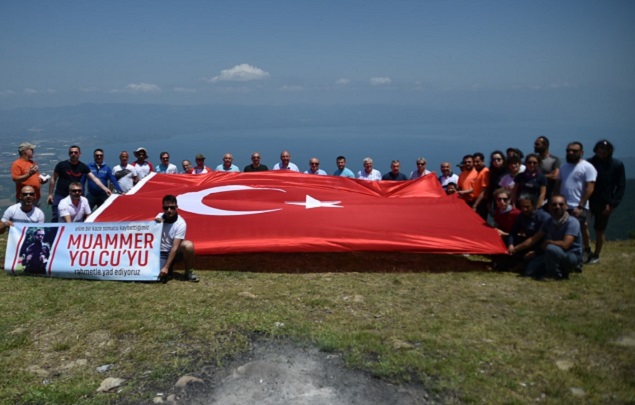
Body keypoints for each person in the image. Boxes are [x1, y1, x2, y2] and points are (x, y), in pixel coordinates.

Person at [511, 194, 582, 280]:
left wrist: (548, 242)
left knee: (550, 248)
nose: (557, 207)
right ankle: (556, 270)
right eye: (554, 204)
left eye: (561, 204)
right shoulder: (548, 222)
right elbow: (533, 239)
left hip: (570, 255)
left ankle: (555, 275)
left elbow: (565, 245)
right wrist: (515, 249)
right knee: (529, 272)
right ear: (549, 207)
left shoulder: (572, 222)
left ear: (566, 206)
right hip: (552, 253)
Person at [556, 142, 597, 262]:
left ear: (581, 152)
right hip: (563, 205)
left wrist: (581, 205)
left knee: (582, 228)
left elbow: (590, 187)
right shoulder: (564, 167)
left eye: (574, 151)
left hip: (579, 205)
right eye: (568, 150)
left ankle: (586, 250)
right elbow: (559, 184)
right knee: (563, 229)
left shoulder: (587, 167)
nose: (570, 153)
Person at [47, 145, 111, 223]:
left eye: (75, 152)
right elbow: (53, 178)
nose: (73, 154)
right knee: (56, 216)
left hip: (76, 195)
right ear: (68, 154)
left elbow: (94, 178)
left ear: (79, 154)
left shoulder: (83, 166)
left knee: (80, 217)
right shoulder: (61, 165)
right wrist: (50, 194)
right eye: (71, 152)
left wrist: (105, 189)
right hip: (61, 194)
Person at [587, 140, 626, 264]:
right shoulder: (589, 163)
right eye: (599, 149)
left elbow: (621, 186)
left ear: (610, 151)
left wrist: (613, 203)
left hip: (605, 202)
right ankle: (586, 250)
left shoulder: (617, 165)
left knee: (599, 229)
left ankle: (596, 254)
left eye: (604, 149)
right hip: (588, 200)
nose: (602, 151)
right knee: (583, 226)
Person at [497, 194, 551, 272]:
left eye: (527, 207)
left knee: (530, 270)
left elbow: (536, 239)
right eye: (522, 207)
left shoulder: (544, 217)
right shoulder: (521, 216)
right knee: (504, 239)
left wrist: (535, 251)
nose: (524, 209)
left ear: (534, 205)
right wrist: (511, 244)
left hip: (541, 246)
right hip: (526, 244)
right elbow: (513, 232)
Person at [155, 195, 199, 282]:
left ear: (176, 207)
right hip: (159, 252)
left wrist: (166, 267)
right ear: (162, 208)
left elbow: (175, 247)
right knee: (156, 276)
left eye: (172, 207)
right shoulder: (159, 216)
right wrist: (155, 222)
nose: (169, 210)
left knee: (188, 245)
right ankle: (167, 269)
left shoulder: (181, 223)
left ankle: (188, 272)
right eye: (166, 208)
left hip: (173, 252)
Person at [11, 142, 48, 206]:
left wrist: (42, 180)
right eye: (31, 150)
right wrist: (30, 174)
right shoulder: (17, 164)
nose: (33, 151)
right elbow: (16, 179)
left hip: (36, 197)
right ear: (25, 151)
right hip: (25, 198)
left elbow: (36, 176)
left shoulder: (32, 163)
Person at [533, 136, 561, 201]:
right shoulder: (533, 160)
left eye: (537, 144)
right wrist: (548, 175)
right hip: (535, 192)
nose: (535, 146)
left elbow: (555, 176)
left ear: (545, 145)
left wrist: (538, 175)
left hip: (549, 193)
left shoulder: (554, 160)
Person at [471, 152, 490, 220]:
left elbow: (483, 191)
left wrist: (475, 205)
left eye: (478, 162)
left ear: (483, 161)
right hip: (477, 200)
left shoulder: (485, 172)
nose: (475, 164)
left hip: (482, 202)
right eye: (474, 162)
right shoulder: (479, 172)